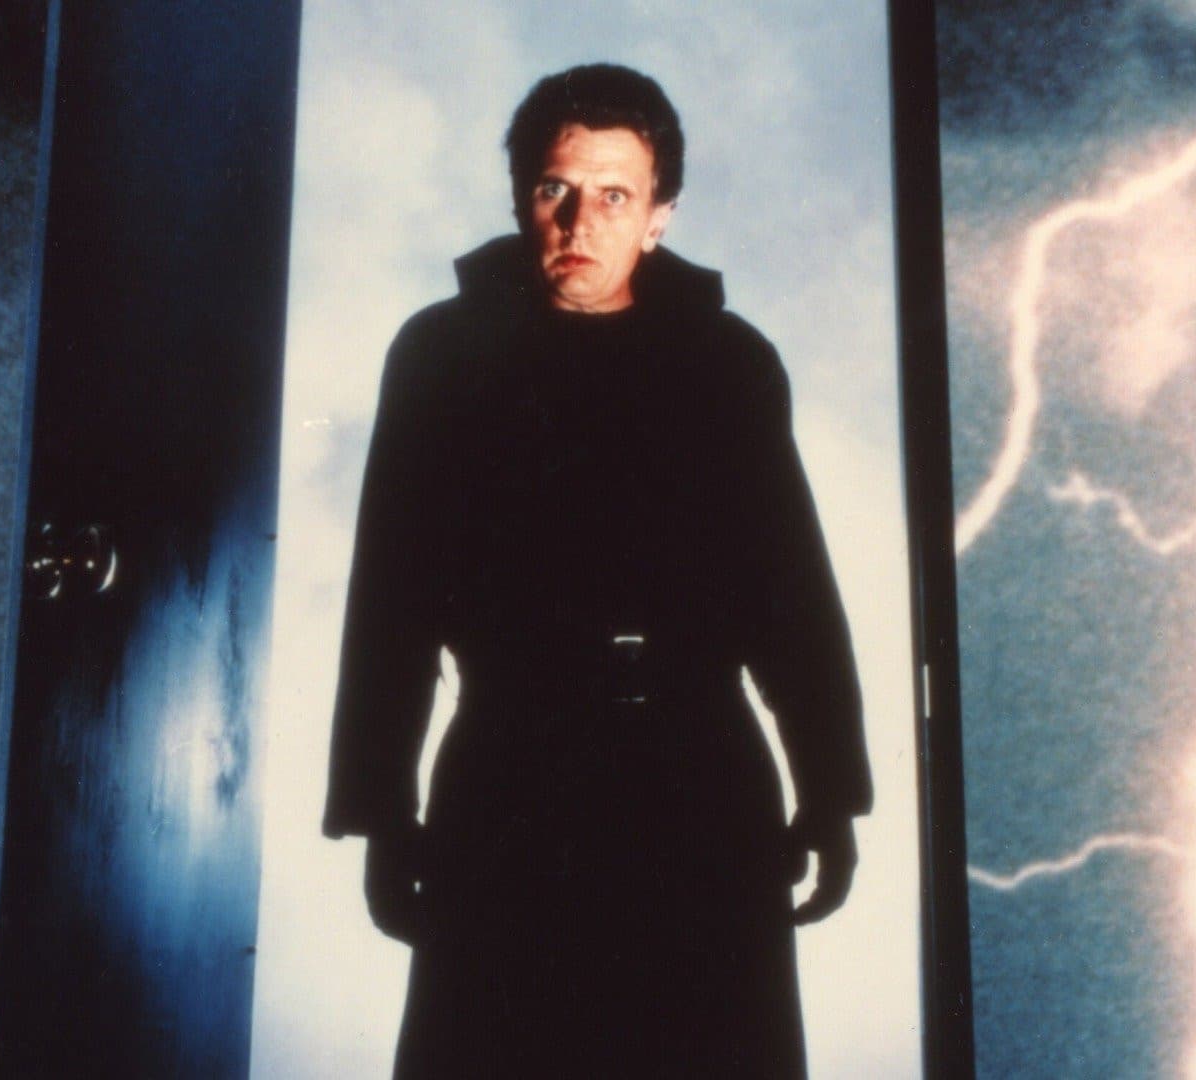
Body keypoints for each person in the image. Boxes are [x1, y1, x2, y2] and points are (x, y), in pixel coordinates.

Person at [321, 63, 872, 1079]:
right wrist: (383, 817)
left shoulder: (730, 363)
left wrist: (831, 791)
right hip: (512, 777)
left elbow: (791, 595)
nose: (580, 221)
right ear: (520, 196)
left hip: (699, 782)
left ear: (660, 215)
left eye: (615, 195)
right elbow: (391, 601)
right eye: (555, 189)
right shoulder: (441, 356)